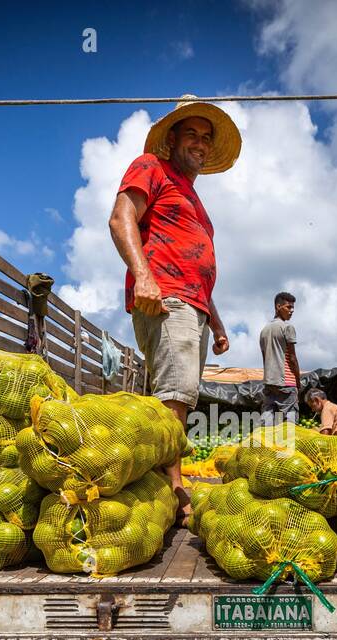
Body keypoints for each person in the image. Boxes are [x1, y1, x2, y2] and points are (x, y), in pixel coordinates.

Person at [109, 95, 240, 522]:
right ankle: (174, 491)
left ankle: (158, 483)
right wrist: (143, 276)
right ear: (172, 139)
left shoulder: (196, 202)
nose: (200, 143)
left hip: (194, 305)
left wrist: (216, 322)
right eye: (192, 134)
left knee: (178, 395)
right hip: (166, 299)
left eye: (206, 137)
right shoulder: (151, 167)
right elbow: (120, 217)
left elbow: (199, 269)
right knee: (175, 397)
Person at [260, 292, 300, 425]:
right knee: (290, 419)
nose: (292, 311)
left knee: (268, 417)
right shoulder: (287, 327)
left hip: (269, 382)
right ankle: (288, 445)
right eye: (288, 307)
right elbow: (292, 358)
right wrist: (298, 381)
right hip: (286, 382)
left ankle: (265, 444)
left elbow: (264, 358)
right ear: (278, 306)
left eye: (293, 308)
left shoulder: (264, 331)